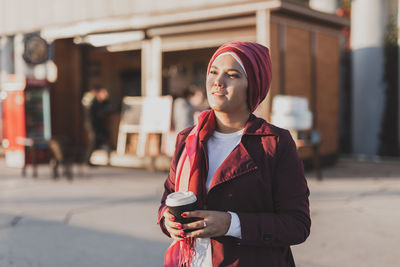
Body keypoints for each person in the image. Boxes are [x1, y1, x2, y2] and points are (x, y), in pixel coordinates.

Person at [158, 41, 310, 267]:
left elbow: (297, 225)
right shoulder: (188, 139)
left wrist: (232, 224)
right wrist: (167, 220)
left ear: (254, 86)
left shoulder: (275, 143)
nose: (218, 82)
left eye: (232, 75)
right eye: (213, 72)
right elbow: (168, 198)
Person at [82, 86, 112, 165]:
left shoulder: (100, 102)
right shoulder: (91, 99)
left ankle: (90, 159)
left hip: (97, 124)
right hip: (91, 124)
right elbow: (89, 111)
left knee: (99, 140)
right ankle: (87, 160)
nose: (105, 96)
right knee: (93, 141)